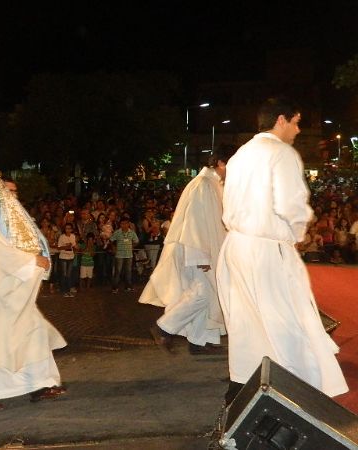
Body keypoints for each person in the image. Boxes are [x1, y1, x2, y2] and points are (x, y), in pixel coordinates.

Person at [217, 97, 348, 405]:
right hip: (266, 249)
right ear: (281, 120)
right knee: (287, 323)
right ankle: (297, 393)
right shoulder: (280, 153)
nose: (298, 130)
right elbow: (292, 205)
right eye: (296, 122)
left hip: (236, 246)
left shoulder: (240, 156)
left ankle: (240, 387)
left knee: (246, 323)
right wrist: (297, 234)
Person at [0, 172, 66, 412]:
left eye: (16, 192)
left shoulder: (5, 217)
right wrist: (31, 261)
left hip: (12, 293)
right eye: (11, 192)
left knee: (34, 333)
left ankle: (41, 383)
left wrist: (33, 260)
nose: (15, 197)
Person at [139, 146, 237, 355]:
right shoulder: (202, 185)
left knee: (209, 295)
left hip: (203, 250)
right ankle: (163, 327)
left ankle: (198, 341)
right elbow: (194, 222)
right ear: (221, 163)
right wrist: (199, 254)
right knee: (202, 294)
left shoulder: (212, 184)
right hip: (196, 250)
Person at [109, 217, 139, 293]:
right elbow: (111, 240)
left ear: (128, 224)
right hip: (119, 255)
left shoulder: (132, 233)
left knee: (128, 271)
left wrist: (132, 246)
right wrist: (113, 248)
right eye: (122, 223)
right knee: (118, 271)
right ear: (120, 224)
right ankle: (115, 288)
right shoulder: (117, 232)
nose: (124, 225)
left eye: (126, 223)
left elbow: (137, 241)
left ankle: (128, 287)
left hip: (129, 255)